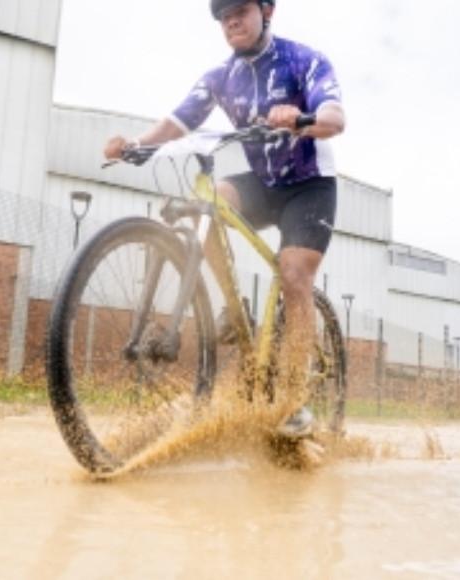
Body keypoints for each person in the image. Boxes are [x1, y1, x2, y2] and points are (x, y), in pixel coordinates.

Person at [104, 0, 346, 437]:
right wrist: (136, 145)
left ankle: (294, 399)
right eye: (222, 14)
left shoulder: (302, 59)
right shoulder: (221, 77)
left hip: (310, 186)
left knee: (293, 274)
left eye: (240, 8)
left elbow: (335, 117)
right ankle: (236, 316)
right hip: (264, 182)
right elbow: (178, 121)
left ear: (266, 11)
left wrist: (301, 118)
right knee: (208, 201)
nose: (231, 18)